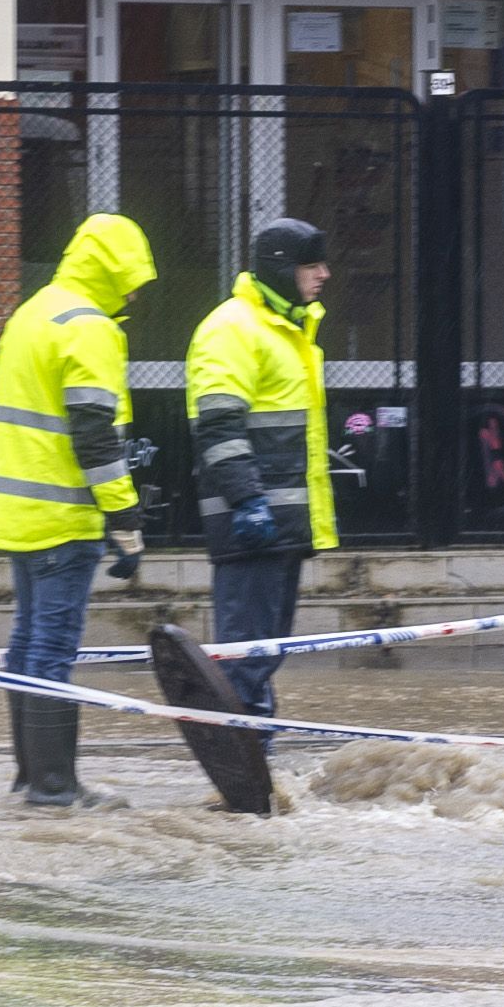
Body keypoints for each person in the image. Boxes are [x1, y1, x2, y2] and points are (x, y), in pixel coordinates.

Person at [0, 211, 155, 807]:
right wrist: (125, 520)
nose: (134, 291)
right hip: (63, 518)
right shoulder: (89, 327)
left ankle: (30, 778)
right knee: (51, 650)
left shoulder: (33, 313)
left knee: (27, 644)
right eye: (131, 278)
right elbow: (95, 436)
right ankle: (55, 788)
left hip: (17, 514)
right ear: (109, 271)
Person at [185, 216, 333, 714]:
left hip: (278, 524)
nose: (324, 275)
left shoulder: (286, 331)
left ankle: (252, 762)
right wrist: (247, 500)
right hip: (253, 526)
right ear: (282, 270)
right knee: (246, 654)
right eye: (312, 265)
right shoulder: (233, 329)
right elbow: (219, 426)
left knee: (263, 651)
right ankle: (242, 763)